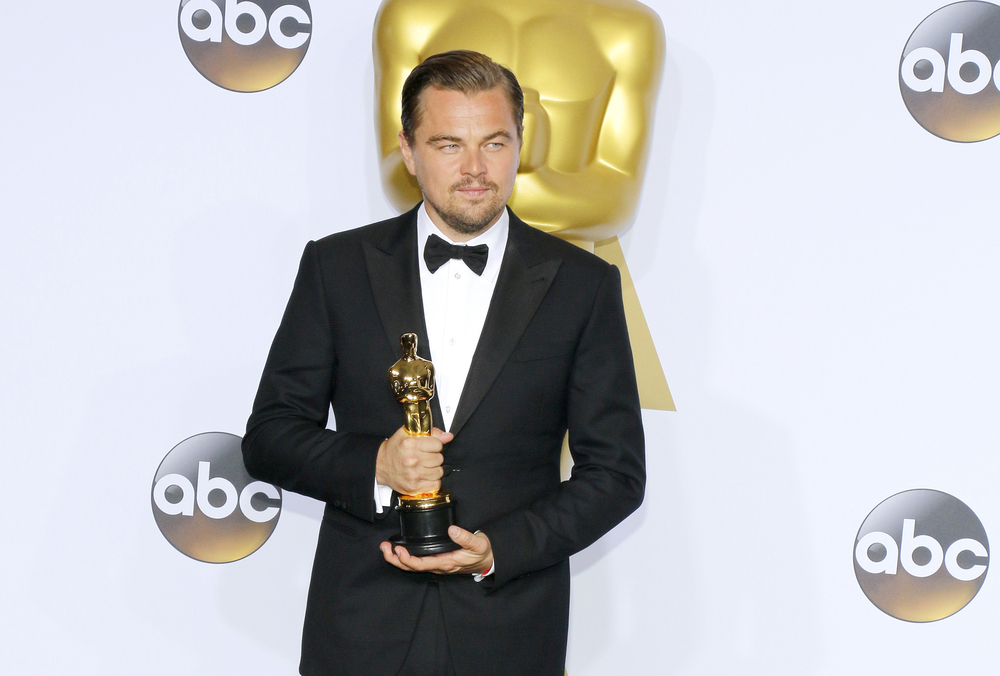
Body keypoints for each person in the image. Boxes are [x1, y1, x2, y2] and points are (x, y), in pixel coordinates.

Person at [243, 50, 644, 676]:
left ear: (520, 145)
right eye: (449, 144)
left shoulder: (582, 286)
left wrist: (496, 550)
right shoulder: (337, 268)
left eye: (495, 142)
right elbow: (268, 438)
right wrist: (375, 465)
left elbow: (617, 473)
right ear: (408, 151)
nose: (476, 169)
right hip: (360, 630)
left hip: (510, 628)